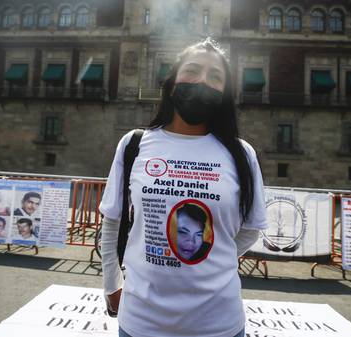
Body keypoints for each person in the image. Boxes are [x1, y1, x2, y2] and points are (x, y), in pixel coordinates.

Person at [100, 39, 268, 337]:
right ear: (173, 82)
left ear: (224, 92)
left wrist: (208, 259)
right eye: (192, 70)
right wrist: (112, 284)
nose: (202, 81)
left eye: (215, 76)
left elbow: (250, 230)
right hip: (140, 322)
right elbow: (113, 221)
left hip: (218, 324)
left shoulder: (242, 154)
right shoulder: (134, 144)